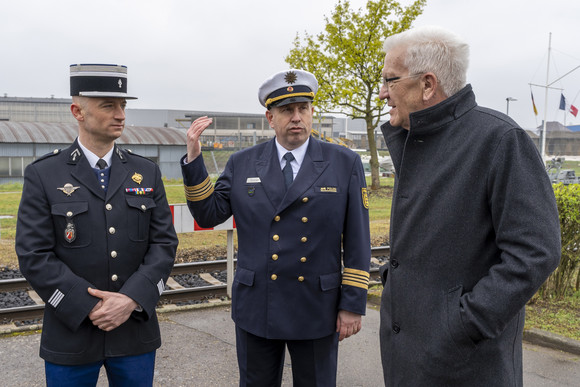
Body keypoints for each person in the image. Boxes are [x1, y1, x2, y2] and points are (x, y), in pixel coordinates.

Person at [377, 26, 561, 386]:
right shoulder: (417, 139)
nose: (383, 92)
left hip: (466, 365)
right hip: (410, 355)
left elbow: (536, 251)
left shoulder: (499, 140)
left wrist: (465, 322)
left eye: (390, 80)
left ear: (427, 84)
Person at [181, 69, 371, 386]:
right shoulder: (242, 163)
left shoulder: (343, 163)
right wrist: (194, 159)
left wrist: (352, 304)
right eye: (286, 110)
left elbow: (358, 239)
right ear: (270, 117)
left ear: (312, 112)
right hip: (258, 304)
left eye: (303, 109)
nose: (296, 117)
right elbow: (208, 214)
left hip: (316, 306)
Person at [15, 63, 178, 386]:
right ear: (77, 111)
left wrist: (130, 300)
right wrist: (89, 306)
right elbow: (34, 254)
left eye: (123, 106)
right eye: (109, 106)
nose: (120, 115)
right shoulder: (44, 174)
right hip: (71, 332)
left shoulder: (146, 172)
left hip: (133, 330)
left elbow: (163, 245)